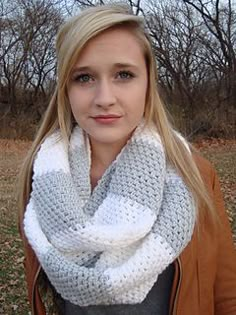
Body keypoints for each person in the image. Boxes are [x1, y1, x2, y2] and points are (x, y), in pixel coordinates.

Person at [18, 4, 236, 315]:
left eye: (124, 74)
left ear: (148, 83)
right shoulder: (41, 179)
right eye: (84, 77)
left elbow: (227, 295)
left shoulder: (194, 174)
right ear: (65, 88)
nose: (104, 97)